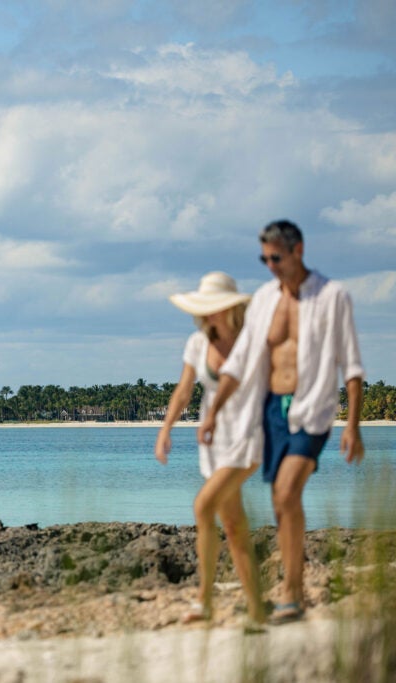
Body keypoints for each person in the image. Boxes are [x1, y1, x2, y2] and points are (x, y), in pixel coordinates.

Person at [198, 220, 365, 624]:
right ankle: (294, 588)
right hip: (272, 409)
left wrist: (353, 424)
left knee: (288, 491)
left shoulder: (332, 296)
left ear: (298, 251)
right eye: (264, 258)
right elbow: (239, 364)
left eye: (276, 257)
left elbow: (352, 364)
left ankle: (291, 592)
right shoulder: (264, 300)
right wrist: (215, 412)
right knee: (279, 499)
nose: (270, 265)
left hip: (313, 408)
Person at [156, 271, 265, 628]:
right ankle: (255, 606)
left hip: (248, 436)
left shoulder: (250, 341)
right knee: (233, 525)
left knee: (204, 506)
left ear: (231, 309)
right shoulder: (197, 343)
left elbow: (240, 382)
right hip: (213, 441)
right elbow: (184, 390)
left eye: (215, 308)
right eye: (205, 309)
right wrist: (166, 428)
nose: (208, 315)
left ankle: (204, 600)